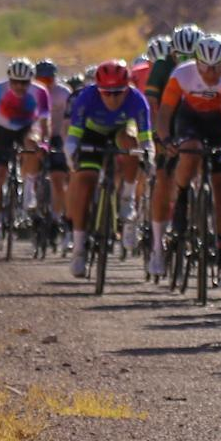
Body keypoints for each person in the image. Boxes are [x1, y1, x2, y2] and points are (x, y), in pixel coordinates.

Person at [147, 33, 221, 278]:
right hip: (190, 121)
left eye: (217, 68)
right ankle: (182, 194)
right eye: (205, 67)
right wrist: (165, 138)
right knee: (190, 150)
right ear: (196, 62)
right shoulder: (182, 74)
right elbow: (165, 112)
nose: (211, 74)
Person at [64, 59, 154, 278]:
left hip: (121, 131)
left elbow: (146, 140)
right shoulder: (86, 97)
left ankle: (127, 199)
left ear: (127, 88)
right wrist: (71, 154)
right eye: (107, 93)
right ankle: (78, 249)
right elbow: (73, 136)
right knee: (84, 184)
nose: (112, 98)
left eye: (118, 93)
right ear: (98, 89)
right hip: (92, 135)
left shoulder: (137, 100)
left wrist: (150, 157)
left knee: (131, 142)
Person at [0, 57, 50, 250]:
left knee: (32, 143)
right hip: (3, 130)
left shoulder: (40, 92)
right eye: (15, 82)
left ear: (31, 81)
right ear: (9, 80)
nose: (20, 87)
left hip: (27, 128)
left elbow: (44, 123)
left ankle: (29, 188)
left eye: (24, 83)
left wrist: (43, 143)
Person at [31, 59, 72, 249]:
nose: (45, 83)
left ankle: (56, 218)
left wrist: (66, 144)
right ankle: (30, 197)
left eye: (49, 79)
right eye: (41, 79)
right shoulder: (32, 91)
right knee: (31, 166)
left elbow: (68, 123)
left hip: (57, 137)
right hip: (38, 135)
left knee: (58, 178)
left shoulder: (64, 93)